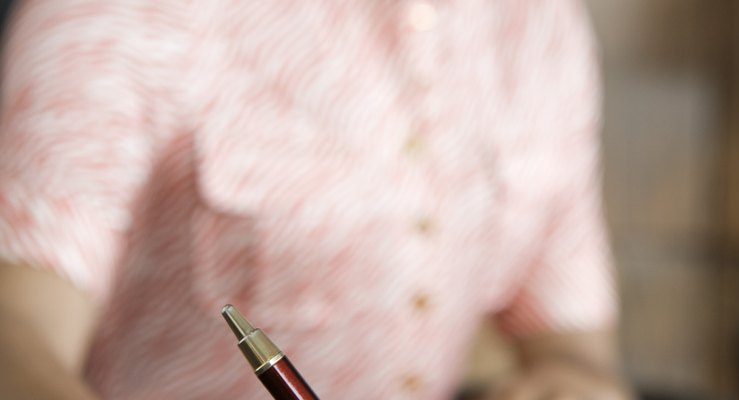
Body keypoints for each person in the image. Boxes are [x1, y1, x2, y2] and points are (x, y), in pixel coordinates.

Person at [0, 1, 631, 398]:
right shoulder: (123, 13)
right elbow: (15, 325)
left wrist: (575, 381)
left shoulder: (544, 22)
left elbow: (571, 341)